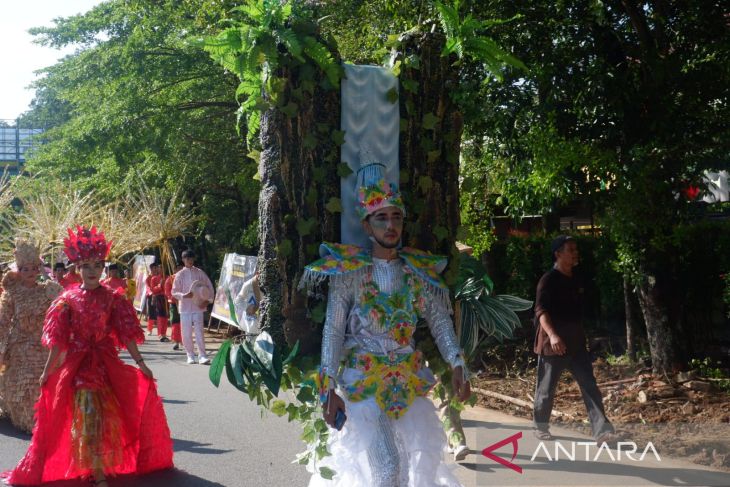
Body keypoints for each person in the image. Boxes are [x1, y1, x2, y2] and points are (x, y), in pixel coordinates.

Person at [301, 172, 470, 486]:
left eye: (396, 217)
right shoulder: (349, 273)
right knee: (387, 469)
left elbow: (440, 321)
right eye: (381, 218)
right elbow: (334, 330)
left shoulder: (418, 271)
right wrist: (328, 388)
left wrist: (457, 362)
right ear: (367, 225)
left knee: (407, 473)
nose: (391, 226)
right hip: (361, 385)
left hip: (407, 384)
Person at [2, 226, 173, 486]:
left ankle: (100, 464)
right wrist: (48, 372)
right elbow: (58, 341)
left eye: (98, 265)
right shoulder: (66, 300)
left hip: (106, 365)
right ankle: (97, 470)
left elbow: (126, 333)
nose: (93, 270)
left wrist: (141, 363)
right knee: (87, 413)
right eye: (86, 265)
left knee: (108, 415)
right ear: (77, 269)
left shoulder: (113, 299)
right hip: (79, 367)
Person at [532, 235, 617, 443]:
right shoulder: (548, 280)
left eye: (575, 249)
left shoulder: (578, 279)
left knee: (590, 386)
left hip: (576, 343)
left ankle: (602, 431)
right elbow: (541, 311)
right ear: (558, 254)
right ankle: (540, 426)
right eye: (570, 249)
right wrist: (552, 336)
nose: (575, 253)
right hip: (553, 344)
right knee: (546, 389)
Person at [0, 240, 63, 432]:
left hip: (43, 345)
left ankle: (44, 418)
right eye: (24, 269)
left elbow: (63, 305)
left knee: (44, 381)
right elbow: (2, 322)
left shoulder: (47, 292)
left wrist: (47, 276)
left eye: (33, 268)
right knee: (24, 383)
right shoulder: (12, 294)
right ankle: (28, 419)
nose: (29, 272)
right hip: (19, 346)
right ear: (18, 270)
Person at [171, 249, 214, 365]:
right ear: (183, 260)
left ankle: (202, 355)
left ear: (194, 259)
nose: (189, 260)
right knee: (186, 332)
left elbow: (209, 286)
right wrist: (184, 295)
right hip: (185, 308)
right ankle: (190, 354)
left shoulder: (200, 273)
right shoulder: (179, 275)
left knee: (199, 331)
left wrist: (209, 300)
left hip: (199, 307)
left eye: (191, 258)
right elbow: (174, 292)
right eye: (187, 258)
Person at [145, 260, 169, 342]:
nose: (160, 269)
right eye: (159, 268)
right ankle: (159, 334)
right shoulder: (152, 278)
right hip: (157, 298)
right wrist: (159, 285)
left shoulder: (168, 277)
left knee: (166, 317)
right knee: (158, 316)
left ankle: (164, 334)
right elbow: (152, 289)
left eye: (162, 268)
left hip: (166, 299)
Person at [165, 262, 184, 351]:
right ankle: (176, 341)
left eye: (181, 268)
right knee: (175, 322)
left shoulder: (186, 278)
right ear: (175, 269)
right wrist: (174, 297)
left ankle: (183, 341)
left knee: (184, 323)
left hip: (185, 303)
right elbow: (167, 291)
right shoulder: (170, 279)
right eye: (178, 268)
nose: (180, 270)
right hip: (174, 303)